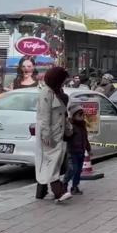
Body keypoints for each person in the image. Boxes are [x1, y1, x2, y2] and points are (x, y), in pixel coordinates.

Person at [35, 66, 73, 203]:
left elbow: (64, 115)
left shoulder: (58, 92)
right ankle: (59, 192)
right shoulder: (46, 93)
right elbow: (44, 116)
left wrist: (68, 130)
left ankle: (41, 192)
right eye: (63, 80)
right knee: (52, 163)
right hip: (49, 135)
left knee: (51, 162)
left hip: (58, 134)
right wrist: (46, 135)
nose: (64, 83)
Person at [65, 103, 91, 196]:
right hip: (72, 152)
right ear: (73, 116)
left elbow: (85, 139)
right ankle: (64, 184)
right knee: (73, 169)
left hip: (81, 152)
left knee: (79, 170)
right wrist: (68, 130)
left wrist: (88, 149)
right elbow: (66, 137)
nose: (82, 117)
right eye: (79, 115)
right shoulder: (71, 126)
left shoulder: (82, 126)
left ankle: (75, 186)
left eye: (82, 115)